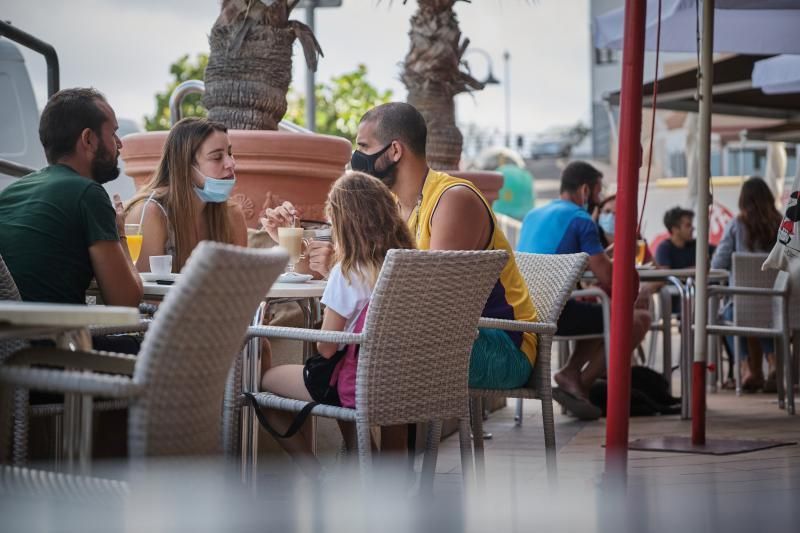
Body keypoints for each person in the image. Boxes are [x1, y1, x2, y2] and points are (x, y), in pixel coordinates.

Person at [260, 171, 416, 477]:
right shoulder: (407, 265)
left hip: (356, 381)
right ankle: (389, 482)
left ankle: (316, 477)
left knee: (264, 385)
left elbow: (327, 347)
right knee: (345, 376)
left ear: (343, 224)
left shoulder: (347, 272)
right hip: (401, 377)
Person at [0, 87, 143, 351]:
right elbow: (125, 302)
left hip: (8, 363)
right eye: (113, 133)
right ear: (88, 139)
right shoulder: (88, 194)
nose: (120, 143)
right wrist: (119, 233)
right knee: (167, 350)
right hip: (58, 361)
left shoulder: (9, 193)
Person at [518, 161, 652, 419]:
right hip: (556, 314)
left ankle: (571, 375)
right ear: (585, 191)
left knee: (604, 313)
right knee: (634, 319)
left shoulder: (533, 215)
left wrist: (605, 253)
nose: (600, 201)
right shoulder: (581, 219)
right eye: (599, 192)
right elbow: (608, 276)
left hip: (524, 313)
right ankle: (579, 381)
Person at [124, 117, 248, 272]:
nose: (231, 163)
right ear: (185, 167)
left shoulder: (232, 215)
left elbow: (241, 284)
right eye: (217, 157)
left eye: (230, 153)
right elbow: (146, 291)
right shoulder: (151, 213)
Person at [711, 177, 783, 392]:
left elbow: (718, 264)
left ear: (743, 199)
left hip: (743, 306)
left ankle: (745, 368)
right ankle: (772, 361)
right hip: (780, 307)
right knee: (764, 315)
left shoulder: (736, 225)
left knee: (725, 317)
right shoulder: (783, 226)